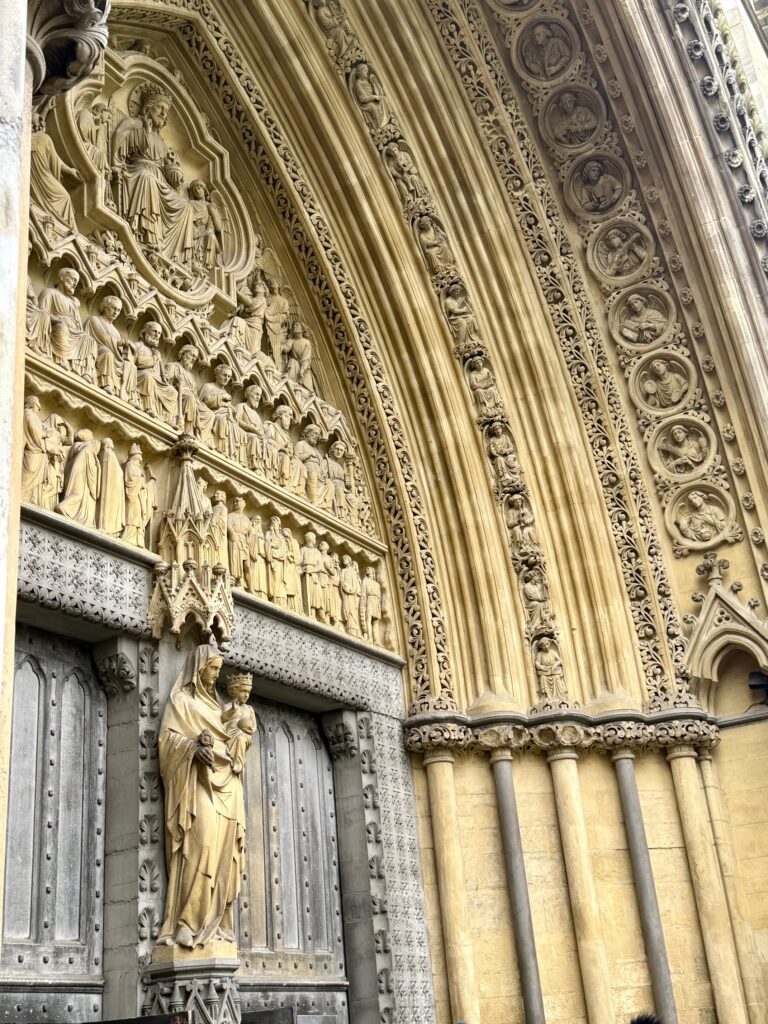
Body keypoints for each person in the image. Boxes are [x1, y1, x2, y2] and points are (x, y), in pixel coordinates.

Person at [157, 645, 248, 949]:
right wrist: (193, 748)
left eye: (219, 670)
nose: (216, 676)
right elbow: (167, 741)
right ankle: (185, 922)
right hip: (197, 780)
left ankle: (216, 922)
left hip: (228, 782)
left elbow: (231, 738)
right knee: (203, 842)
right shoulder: (181, 702)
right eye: (213, 669)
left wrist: (240, 738)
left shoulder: (217, 708)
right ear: (198, 669)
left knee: (224, 852)